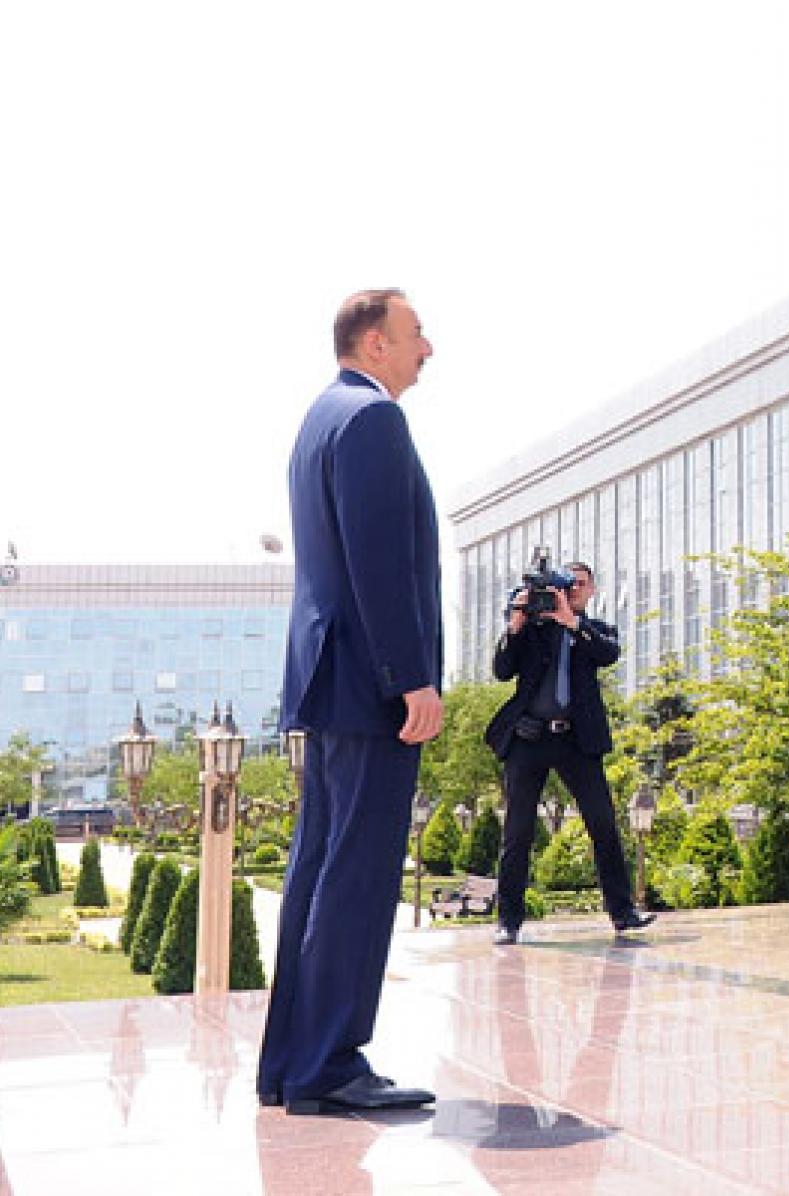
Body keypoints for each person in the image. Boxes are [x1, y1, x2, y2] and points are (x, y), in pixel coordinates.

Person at [257, 289, 445, 1116]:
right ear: (374, 343)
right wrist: (411, 675)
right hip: (371, 688)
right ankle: (329, 1064)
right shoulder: (372, 421)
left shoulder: (318, 420)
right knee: (357, 878)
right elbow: (377, 562)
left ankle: (292, 1064)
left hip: (330, 680)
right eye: (415, 334)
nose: (428, 348)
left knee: (318, 873)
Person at [483, 561, 655, 944]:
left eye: (579, 585)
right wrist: (515, 625)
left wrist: (570, 621)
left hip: (577, 740)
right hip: (529, 738)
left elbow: (609, 653)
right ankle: (508, 921)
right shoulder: (533, 629)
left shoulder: (592, 631)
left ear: (590, 591)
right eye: (567, 584)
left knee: (603, 825)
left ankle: (623, 913)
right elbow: (501, 670)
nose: (572, 590)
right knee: (517, 831)